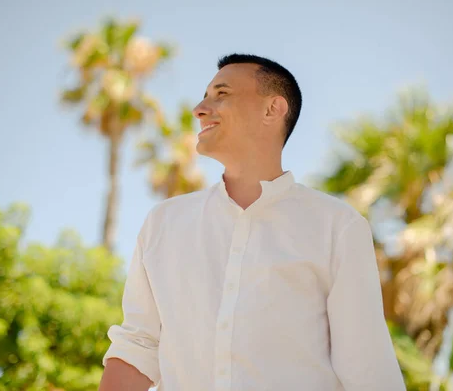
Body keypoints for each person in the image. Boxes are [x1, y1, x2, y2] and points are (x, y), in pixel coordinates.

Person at [98, 54, 406, 391]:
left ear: (272, 109)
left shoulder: (338, 227)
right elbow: (138, 348)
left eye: (222, 94)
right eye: (205, 96)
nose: (199, 108)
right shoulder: (163, 224)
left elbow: (367, 369)